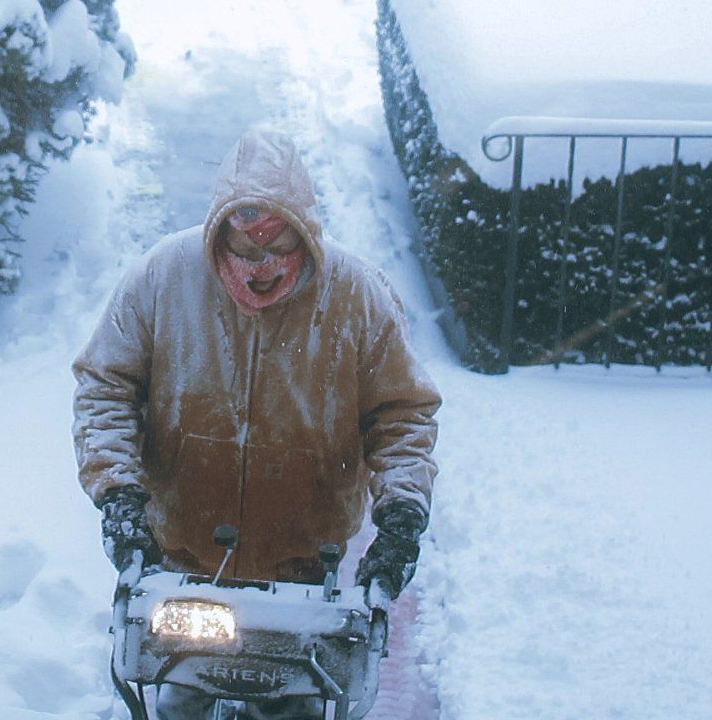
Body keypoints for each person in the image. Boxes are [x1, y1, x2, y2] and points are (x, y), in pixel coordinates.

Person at [72, 128, 439, 600]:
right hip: (176, 555)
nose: (260, 266)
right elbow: (106, 387)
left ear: (303, 230)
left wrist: (402, 515)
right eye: (245, 249)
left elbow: (402, 414)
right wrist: (118, 494)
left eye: (277, 246)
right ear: (220, 229)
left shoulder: (358, 296)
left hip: (305, 564)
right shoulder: (161, 278)